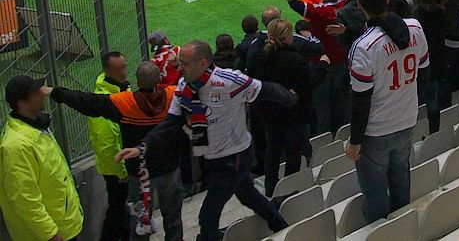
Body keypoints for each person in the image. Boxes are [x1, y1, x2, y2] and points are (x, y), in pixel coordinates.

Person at [116, 41, 297, 240]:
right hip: (212, 157)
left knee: (207, 215)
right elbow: (171, 122)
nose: (179, 67)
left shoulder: (229, 81)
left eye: (184, 63)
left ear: (202, 63)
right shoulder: (184, 87)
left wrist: (291, 99)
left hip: (234, 157)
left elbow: (267, 90)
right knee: (248, 195)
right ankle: (281, 226)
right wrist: (143, 146)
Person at [48, 62, 184, 240]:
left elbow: (89, 102)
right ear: (159, 79)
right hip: (169, 169)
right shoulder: (173, 96)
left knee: (139, 222)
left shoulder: (125, 102)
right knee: (173, 216)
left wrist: (56, 92)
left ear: (137, 82)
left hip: (138, 173)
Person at [344, 0, 430, 223]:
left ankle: (381, 232)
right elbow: (425, 74)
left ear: (360, 5)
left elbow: (360, 100)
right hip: (407, 119)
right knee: (401, 179)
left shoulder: (363, 46)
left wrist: (355, 141)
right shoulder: (415, 28)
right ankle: (403, 228)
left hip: (377, 130)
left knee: (375, 192)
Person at [0, 76, 84, 241]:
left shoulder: (37, 126)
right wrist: (49, 233)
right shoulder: (16, 145)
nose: (43, 93)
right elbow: (24, 198)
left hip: (63, 223)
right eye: (36, 92)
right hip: (50, 234)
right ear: (22, 103)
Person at [280, 0, 349, 134]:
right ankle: (341, 131)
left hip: (323, 62)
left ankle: (323, 139)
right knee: (338, 98)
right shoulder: (343, 0)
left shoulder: (320, 12)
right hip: (341, 58)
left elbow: (293, 2)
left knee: (321, 104)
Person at [249, 19, 311, 197]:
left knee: (273, 152)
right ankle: (289, 192)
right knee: (292, 155)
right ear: (287, 37)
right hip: (293, 116)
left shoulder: (258, 57)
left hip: (270, 115)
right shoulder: (295, 60)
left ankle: (271, 188)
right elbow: (306, 89)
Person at [89, 52, 130, 241]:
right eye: (119, 68)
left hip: (122, 164)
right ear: (108, 71)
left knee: (121, 207)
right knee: (117, 208)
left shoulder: (121, 89)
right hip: (115, 170)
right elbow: (107, 146)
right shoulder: (103, 103)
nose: (124, 71)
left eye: (124, 66)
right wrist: (121, 173)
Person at [413, 0, 449, 132]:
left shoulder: (420, 12)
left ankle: (435, 130)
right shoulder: (443, 6)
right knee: (441, 87)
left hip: (427, 58)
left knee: (431, 94)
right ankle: (445, 121)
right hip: (440, 53)